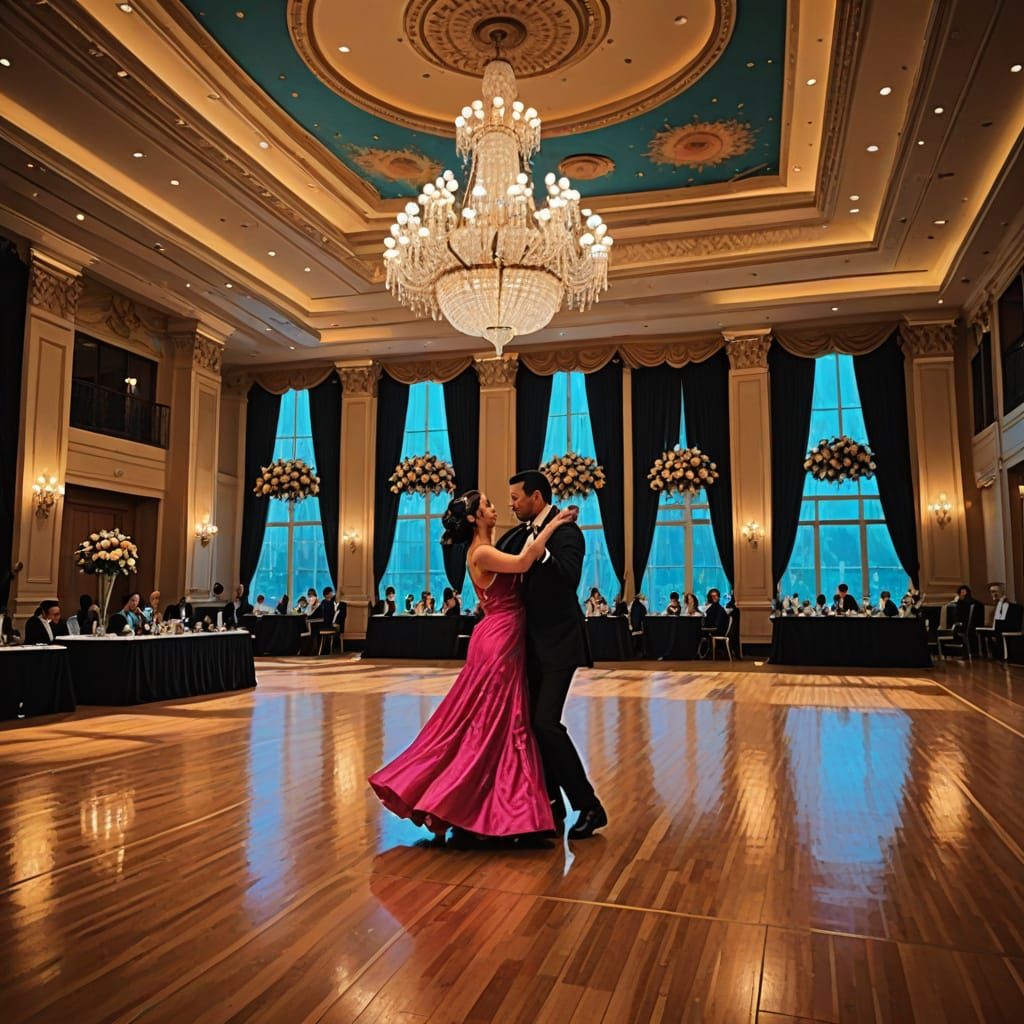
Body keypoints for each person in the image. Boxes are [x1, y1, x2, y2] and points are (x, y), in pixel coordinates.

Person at [369, 489, 576, 840]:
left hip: (499, 635)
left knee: (492, 719)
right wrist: (553, 523)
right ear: (474, 518)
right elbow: (526, 561)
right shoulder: (481, 552)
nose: (496, 509)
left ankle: (491, 803)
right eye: (489, 505)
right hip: (500, 640)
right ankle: (478, 804)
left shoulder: (486, 550)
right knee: (495, 721)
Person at [498, 470, 606, 838]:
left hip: (560, 642)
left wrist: (541, 553)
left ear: (538, 497)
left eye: (516, 498)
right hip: (528, 645)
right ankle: (552, 804)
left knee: (545, 722)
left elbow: (568, 579)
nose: (511, 504)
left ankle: (589, 806)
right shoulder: (518, 535)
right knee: (531, 724)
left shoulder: (567, 532)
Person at [977, 582, 1024, 658]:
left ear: (1001, 592)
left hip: (1007, 635)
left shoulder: (1013, 607)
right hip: (996, 634)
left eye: (995, 591)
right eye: (991, 592)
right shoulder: (995, 608)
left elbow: (1013, 625)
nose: (993, 594)